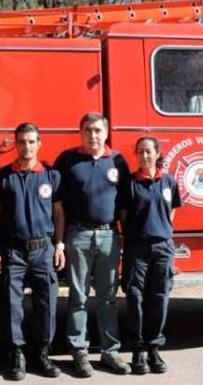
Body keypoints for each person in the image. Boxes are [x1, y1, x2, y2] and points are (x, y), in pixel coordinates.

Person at [53, 112, 131, 377]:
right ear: (80, 133)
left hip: (109, 236)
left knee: (108, 298)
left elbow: (124, 206)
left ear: (106, 132)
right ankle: (79, 352)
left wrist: (126, 236)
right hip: (78, 235)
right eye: (88, 130)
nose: (93, 135)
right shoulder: (67, 160)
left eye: (98, 130)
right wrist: (60, 242)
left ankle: (110, 352)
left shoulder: (118, 161)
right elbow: (58, 206)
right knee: (78, 297)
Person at [0, 122, 66, 381]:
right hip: (14, 251)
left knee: (47, 303)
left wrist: (59, 244)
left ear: (39, 143)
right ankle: (17, 354)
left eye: (31, 141)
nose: (27, 146)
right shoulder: (2, 177)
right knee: (12, 306)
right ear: (15, 144)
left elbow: (58, 213)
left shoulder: (51, 175)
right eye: (22, 141)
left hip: (44, 249)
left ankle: (42, 353)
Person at [120, 136, 181, 374]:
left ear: (157, 153)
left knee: (159, 298)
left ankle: (154, 349)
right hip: (137, 248)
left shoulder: (169, 182)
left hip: (163, 248)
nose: (144, 156)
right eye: (140, 152)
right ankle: (137, 350)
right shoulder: (130, 183)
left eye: (148, 152)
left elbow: (172, 210)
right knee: (135, 299)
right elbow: (123, 216)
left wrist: (161, 230)